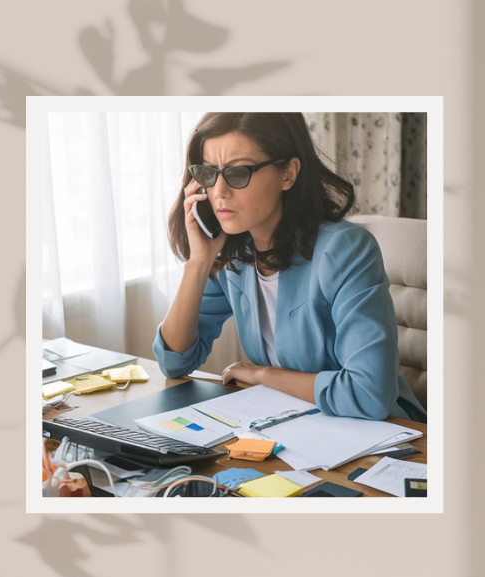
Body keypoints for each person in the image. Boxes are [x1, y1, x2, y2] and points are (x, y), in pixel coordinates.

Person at [153, 112, 427, 423]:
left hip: (381, 435)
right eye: (209, 173)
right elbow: (173, 361)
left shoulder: (346, 250)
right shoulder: (234, 254)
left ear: (288, 173)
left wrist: (262, 375)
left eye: (238, 172)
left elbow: (369, 394)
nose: (219, 191)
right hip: (287, 425)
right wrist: (198, 264)